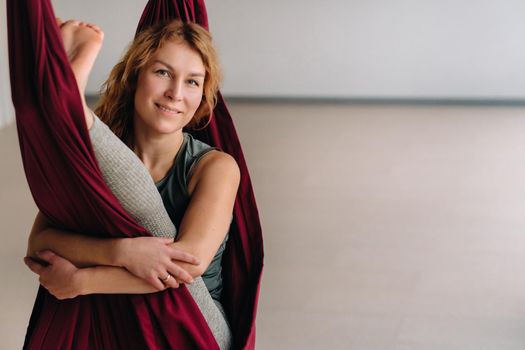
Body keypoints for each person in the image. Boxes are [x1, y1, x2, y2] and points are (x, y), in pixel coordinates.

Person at [23, 19, 238, 349]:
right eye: (163, 72)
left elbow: (186, 266)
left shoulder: (216, 168)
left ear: (203, 96)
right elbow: (39, 242)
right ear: (135, 75)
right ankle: (72, 110)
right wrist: (122, 252)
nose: (175, 93)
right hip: (119, 321)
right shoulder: (91, 167)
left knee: (170, 256)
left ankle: (74, 113)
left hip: (192, 324)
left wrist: (83, 280)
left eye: (192, 82)